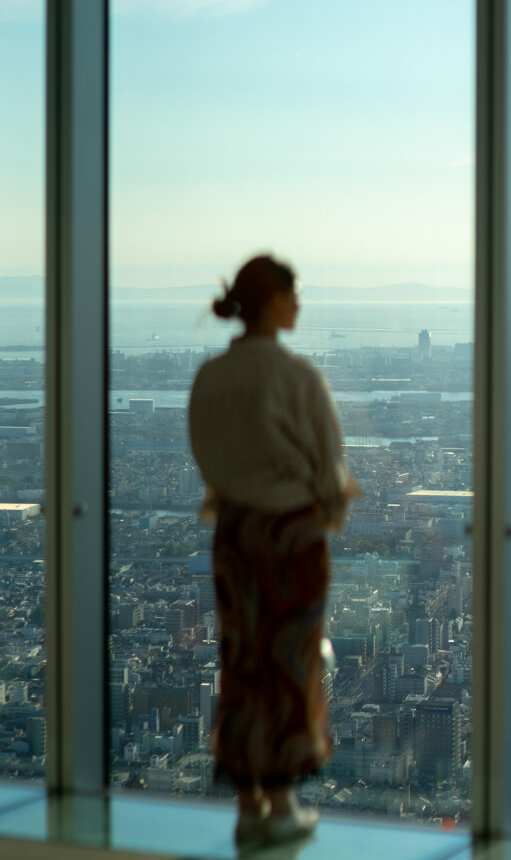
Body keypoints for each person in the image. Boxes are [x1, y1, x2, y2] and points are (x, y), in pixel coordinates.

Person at [188, 255, 358, 851]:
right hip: (293, 536)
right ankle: (282, 803)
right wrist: (319, 509)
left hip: (234, 533)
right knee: (291, 657)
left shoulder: (211, 378)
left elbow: (205, 458)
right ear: (274, 301)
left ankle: (247, 803)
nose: (300, 306)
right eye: (295, 295)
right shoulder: (299, 377)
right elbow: (332, 471)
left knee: (241, 659)